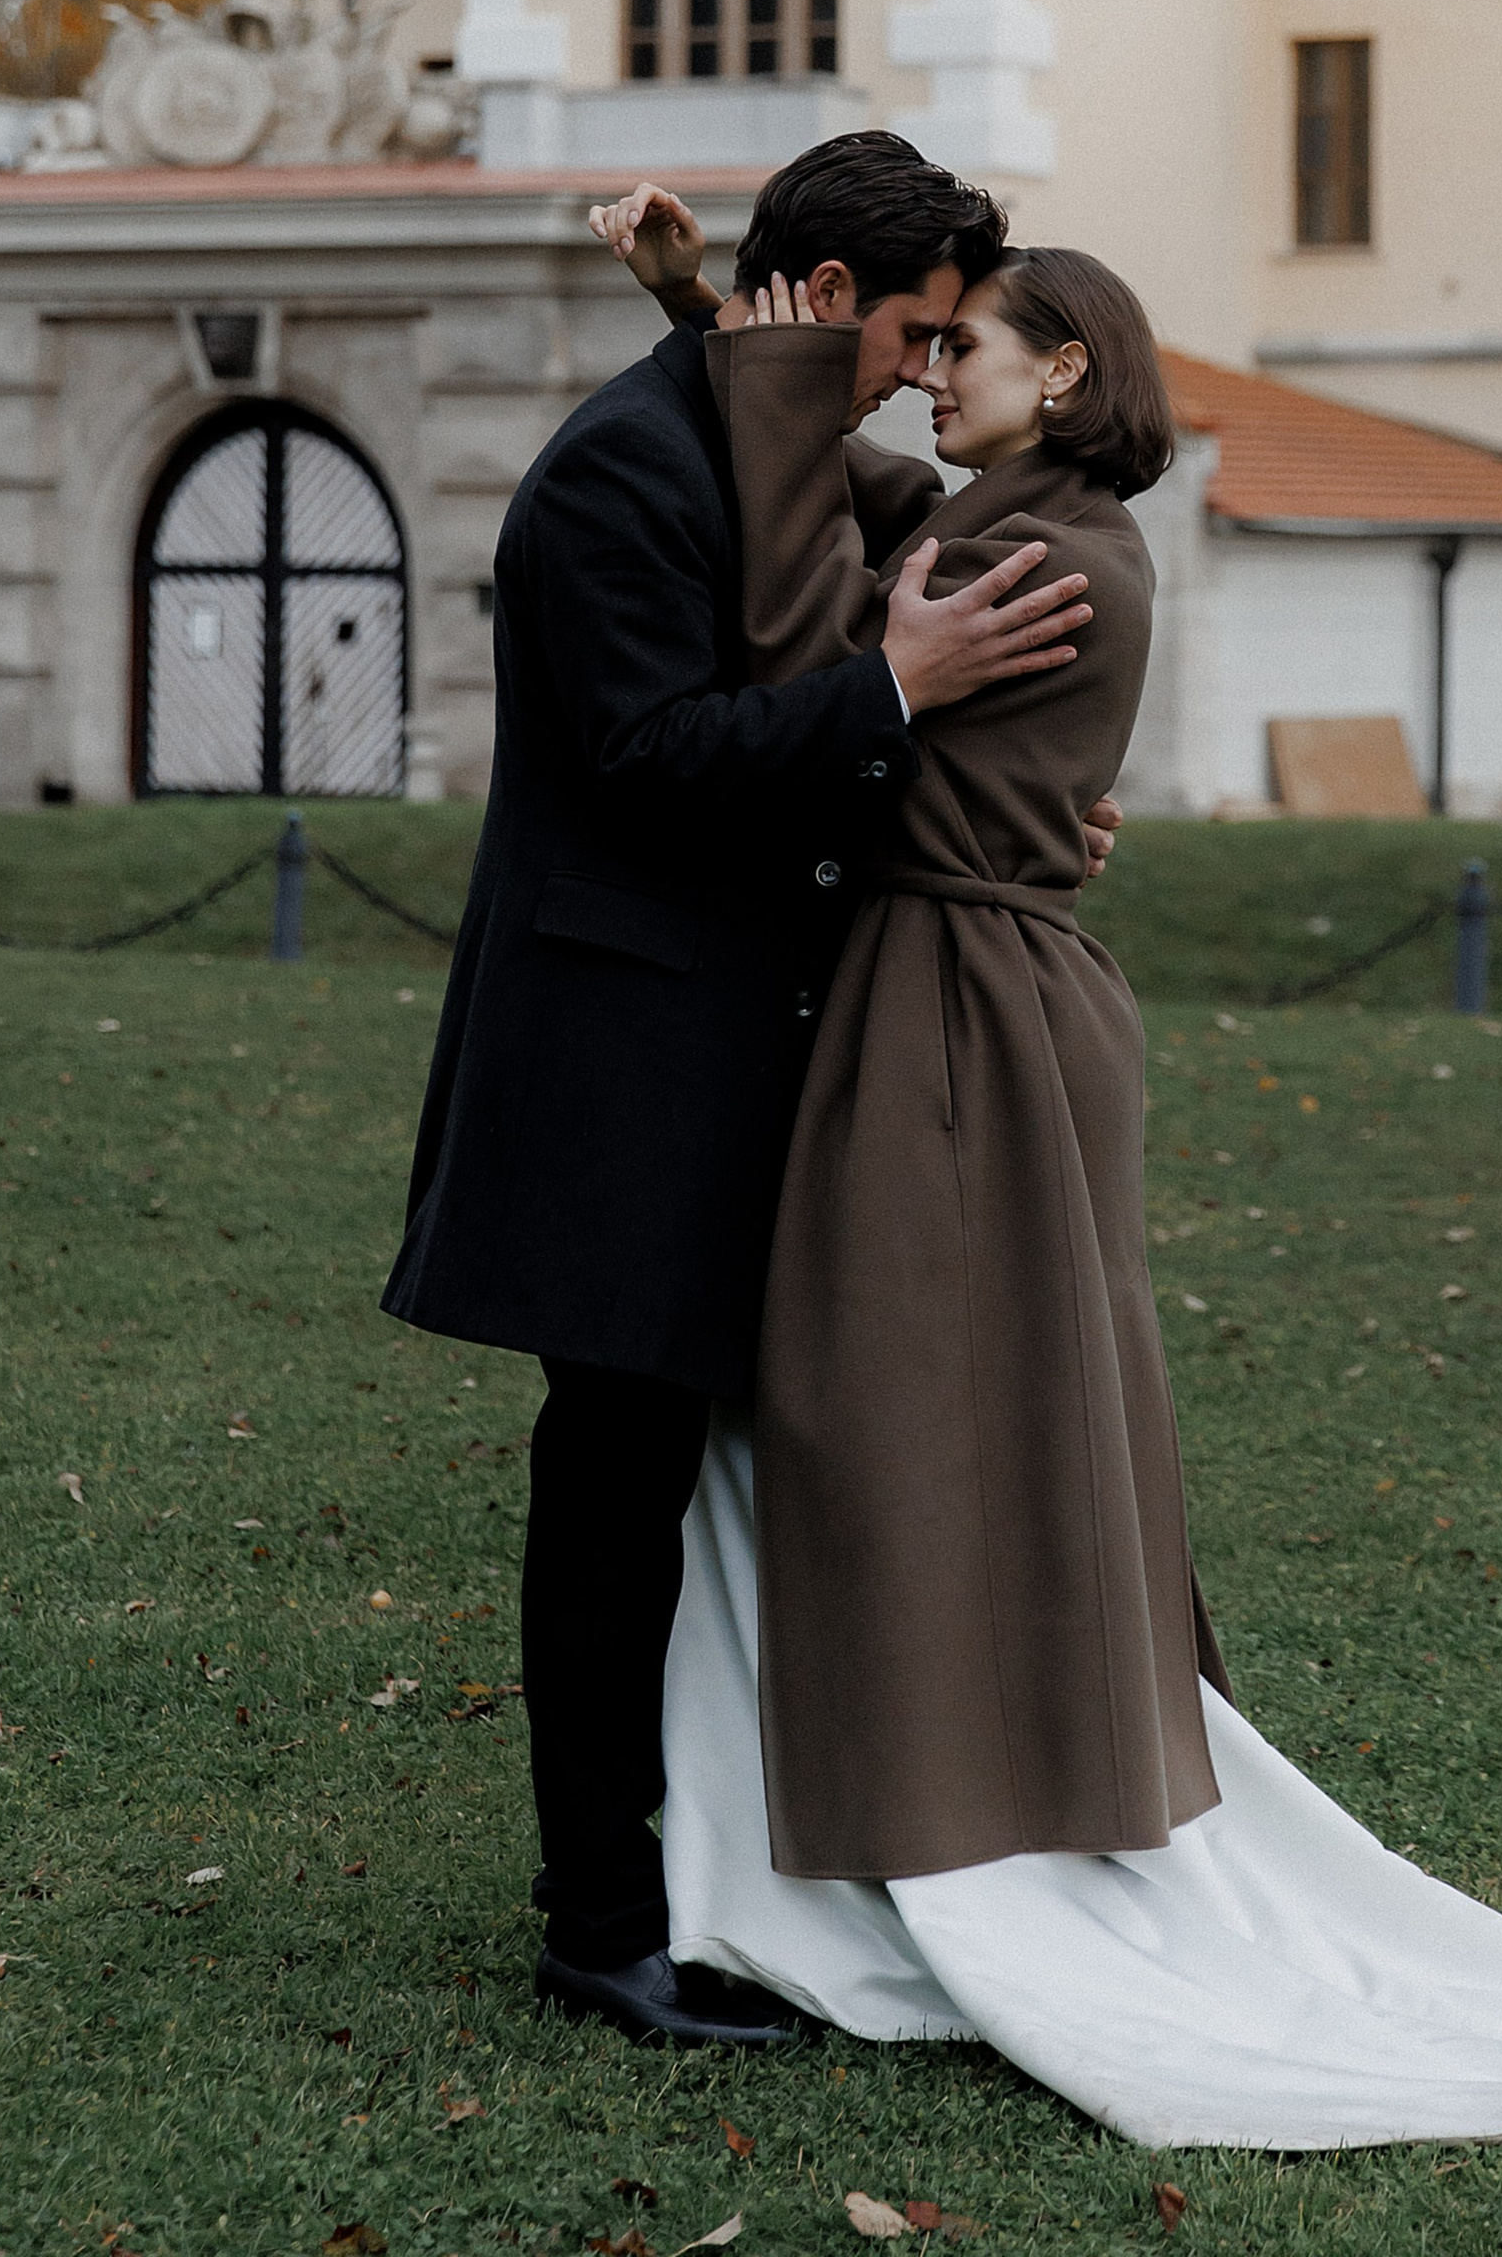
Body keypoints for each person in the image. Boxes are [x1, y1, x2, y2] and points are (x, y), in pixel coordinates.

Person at [603, 224, 1502, 2151]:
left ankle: (946, 1825)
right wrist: (718, 330)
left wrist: (782, 432)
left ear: (1062, 371)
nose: (928, 371)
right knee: (897, 1412)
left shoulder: (1040, 557)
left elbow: (813, 621)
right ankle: (883, 1799)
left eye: (959, 343)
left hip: (960, 1022)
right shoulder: (1031, 521)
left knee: (903, 1415)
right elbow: (868, 491)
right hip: (969, 995)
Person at [382, 130, 1116, 2049]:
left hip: (756, 1065)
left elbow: (828, 534)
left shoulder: (767, 428)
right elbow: (654, 759)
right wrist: (895, 692)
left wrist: (995, 798)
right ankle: (603, 1928)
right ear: (832, 298)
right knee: (613, 1487)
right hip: (619, 1076)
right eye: (913, 329)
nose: (922, 370)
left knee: (704, 1493)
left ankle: (737, 1886)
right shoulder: (613, 473)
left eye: (952, 339)